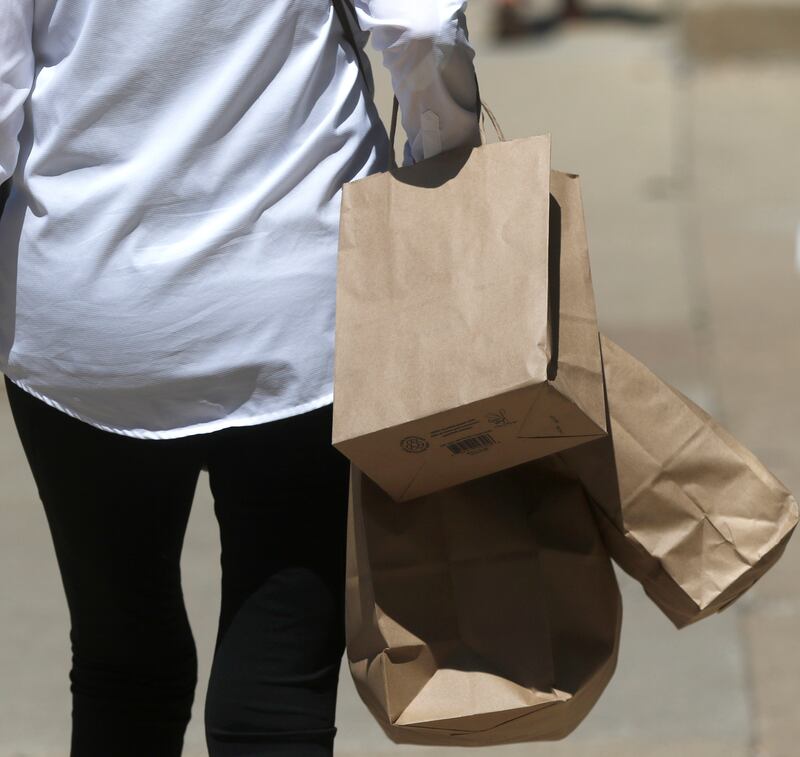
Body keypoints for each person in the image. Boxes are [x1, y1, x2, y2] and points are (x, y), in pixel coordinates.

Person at [0, 1, 481, 755]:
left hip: (86, 317)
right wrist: (444, 164)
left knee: (118, 659)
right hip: (299, 303)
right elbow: (419, 27)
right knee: (283, 668)